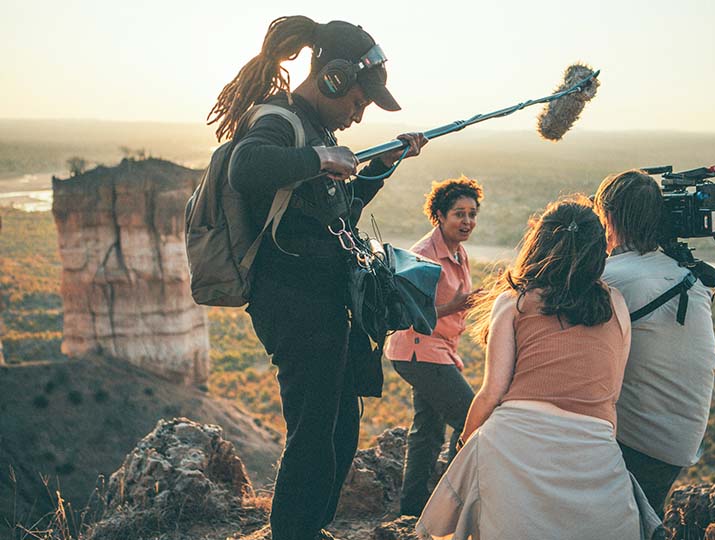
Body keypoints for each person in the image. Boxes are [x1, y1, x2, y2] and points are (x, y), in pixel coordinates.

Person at [207, 16, 427, 540]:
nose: (360, 112)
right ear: (332, 78)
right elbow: (247, 166)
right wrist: (316, 156)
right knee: (313, 432)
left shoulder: (318, 130)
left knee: (340, 426)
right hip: (292, 300)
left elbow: (334, 212)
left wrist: (383, 164)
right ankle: (294, 533)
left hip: (324, 299)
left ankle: (311, 528)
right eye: (358, 99)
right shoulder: (281, 121)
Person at [416, 196, 662, 540]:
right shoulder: (615, 303)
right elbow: (611, 396)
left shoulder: (515, 301)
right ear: (597, 251)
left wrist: (464, 444)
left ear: (539, 243)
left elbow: (491, 393)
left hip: (512, 442)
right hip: (592, 446)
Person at [594, 169, 715, 518]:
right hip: (681, 442)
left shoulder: (611, 278)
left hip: (638, 444)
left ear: (610, 217)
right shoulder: (689, 277)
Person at [384, 176, 483, 517]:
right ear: (439, 216)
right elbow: (407, 314)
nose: (467, 221)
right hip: (417, 349)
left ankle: (412, 511)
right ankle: (451, 505)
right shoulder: (424, 256)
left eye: (472, 213)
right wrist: (457, 306)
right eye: (459, 214)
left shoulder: (459, 251)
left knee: (427, 432)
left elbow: (458, 301)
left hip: (439, 349)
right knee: (473, 422)